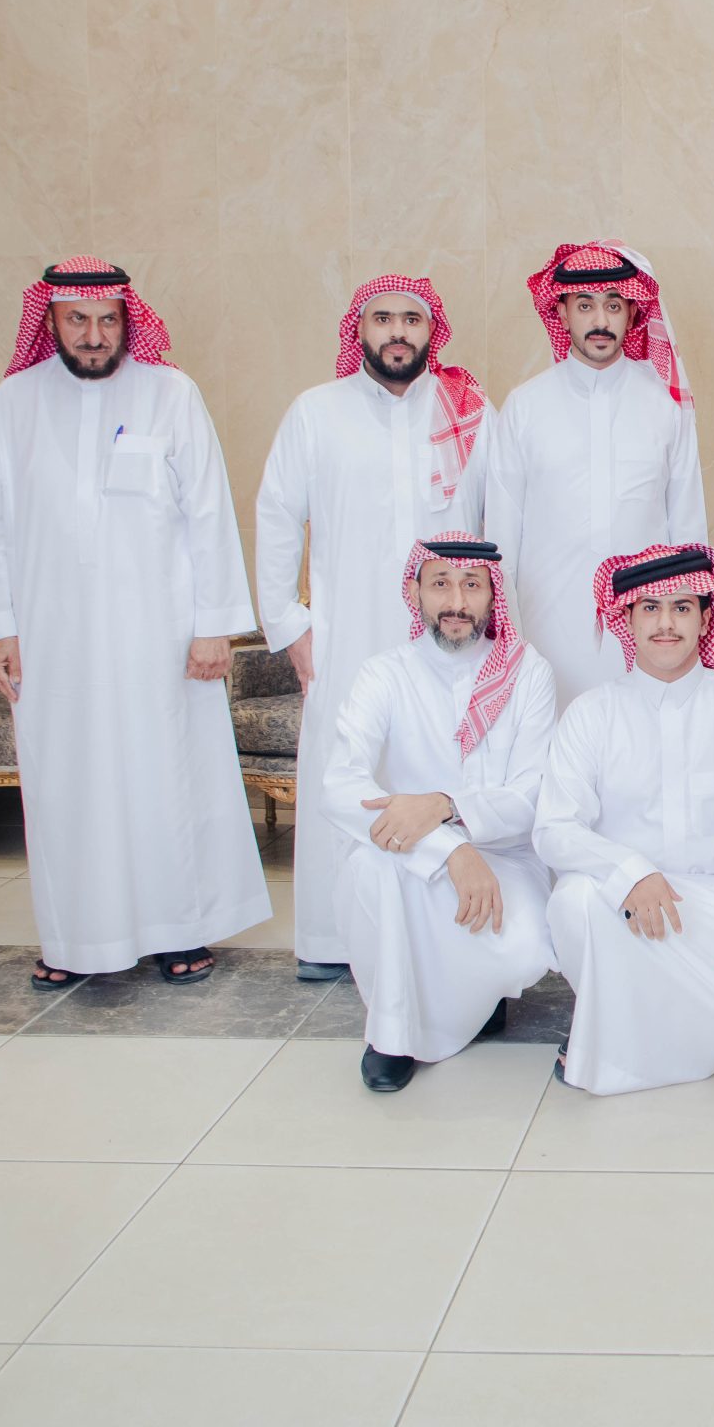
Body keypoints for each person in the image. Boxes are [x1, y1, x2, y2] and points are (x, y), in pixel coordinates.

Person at [0, 257, 269, 990]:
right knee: (65, 786)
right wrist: (1, 627)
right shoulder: (13, 403)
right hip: (52, 642)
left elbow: (209, 513)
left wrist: (215, 626)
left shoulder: (171, 393)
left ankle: (179, 930)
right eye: (79, 319)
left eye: (108, 320)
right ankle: (75, 936)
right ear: (51, 320)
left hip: (158, 639)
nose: (95, 335)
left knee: (167, 778)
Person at [255, 274, 489, 981]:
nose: (397, 332)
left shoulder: (469, 412)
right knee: (346, 772)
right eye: (382, 318)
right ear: (359, 329)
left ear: (431, 330)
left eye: (410, 320)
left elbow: (502, 521)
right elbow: (276, 514)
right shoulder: (315, 412)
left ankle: (442, 938)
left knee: (439, 769)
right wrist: (289, 625)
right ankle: (334, 938)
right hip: (347, 637)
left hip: (449, 639)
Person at [533, 544, 714, 1094]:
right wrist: (630, 871)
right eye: (650, 608)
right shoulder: (592, 713)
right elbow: (554, 829)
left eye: (682, 608)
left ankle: (615, 1028)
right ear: (627, 620)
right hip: (623, 905)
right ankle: (629, 1035)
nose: (665, 623)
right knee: (574, 900)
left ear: (706, 619)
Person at [322, 535, 555, 1092]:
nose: (456, 601)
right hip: (409, 857)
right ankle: (392, 1036)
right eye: (440, 584)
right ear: (415, 593)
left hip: (504, 860)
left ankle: (480, 995)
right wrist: (449, 847)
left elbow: (532, 794)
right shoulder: (384, 674)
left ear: (493, 594)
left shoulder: (528, 673)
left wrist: (447, 808)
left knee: (525, 944)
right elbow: (340, 786)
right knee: (375, 869)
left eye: (471, 585)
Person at [486, 243, 705, 706]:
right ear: (561, 313)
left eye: (613, 305)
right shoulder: (525, 407)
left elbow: (689, 531)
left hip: (646, 628)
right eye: (585, 306)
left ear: (632, 313)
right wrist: (509, 638)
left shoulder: (665, 406)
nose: (600, 320)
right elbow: (501, 539)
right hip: (544, 626)